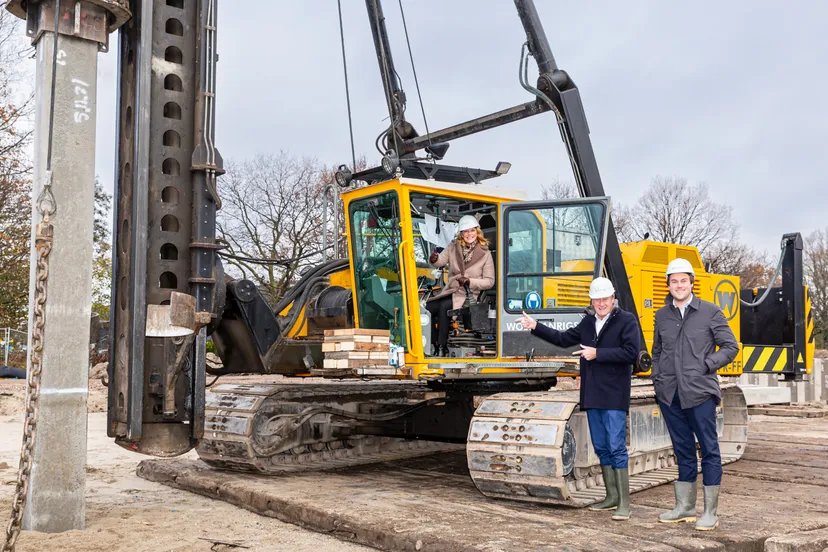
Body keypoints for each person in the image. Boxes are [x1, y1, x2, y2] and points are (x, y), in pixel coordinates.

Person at [518, 277, 640, 520]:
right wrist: (535, 326)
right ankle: (611, 497)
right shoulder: (587, 322)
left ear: (613, 299)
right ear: (592, 301)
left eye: (605, 299)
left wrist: (598, 353)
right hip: (593, 393)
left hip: (614, 394)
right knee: (602, 446)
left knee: (616, 446)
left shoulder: (626, 321)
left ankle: (624, 504)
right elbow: (563, 339)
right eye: (597, 299)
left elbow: (631, 353)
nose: (601, 303)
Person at [652, 258, 738, 531]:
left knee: (709, 450)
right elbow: (657, 351)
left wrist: (706, 365)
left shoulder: (710, 312)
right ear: (668, 285)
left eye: (683, 281)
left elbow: (731, 346)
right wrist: (658, 378)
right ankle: (685, 507)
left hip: (700, 392)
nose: (679, 285)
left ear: (691, 283)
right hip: (670, 394)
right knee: (682, 449)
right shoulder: (662, 315)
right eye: (674, 281)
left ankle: (710, 513)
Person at [426, 215, 495, 357]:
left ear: (477, 232)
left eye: (472, 230)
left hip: (469, 294)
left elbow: (489, 281)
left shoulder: (485, 254)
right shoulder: (453, 247)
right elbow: (440, 261)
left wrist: (469, 281)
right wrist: (434, 259)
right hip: (452, 290)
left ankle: (442, 347)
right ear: (461, 234)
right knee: (428, 308)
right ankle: (433, 344)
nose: (469, 234)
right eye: (466, 231)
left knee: (444, 307)